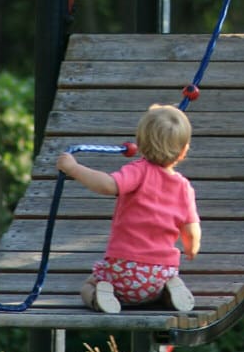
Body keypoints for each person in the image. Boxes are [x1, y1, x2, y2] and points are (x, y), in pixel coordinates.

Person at [56, 104, 201, 314]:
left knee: (88, 285)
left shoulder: (138, 172)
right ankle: (169, 290)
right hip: (161, 273)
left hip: (122, 270)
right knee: (157, 290)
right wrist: (191, 249)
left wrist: (73, 168)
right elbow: (192, 233)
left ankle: (99, 296)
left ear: (139, 143)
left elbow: (108, 185)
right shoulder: (184, 187)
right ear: (184, 150)